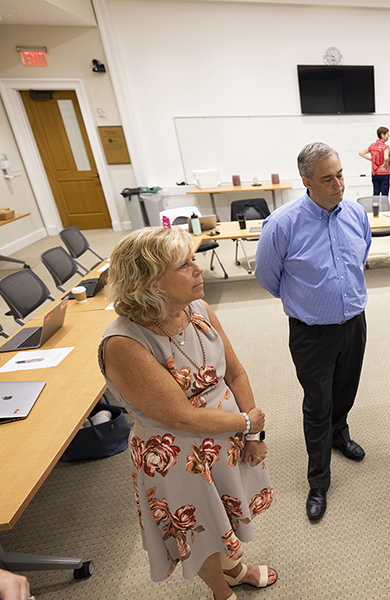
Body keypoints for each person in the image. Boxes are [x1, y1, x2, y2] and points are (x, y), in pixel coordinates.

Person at [99, 227, 276, 600]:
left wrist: (253, 437)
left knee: (223, 516)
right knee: (201, 528)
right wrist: (247, 423)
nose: (198, 269)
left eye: (194, 260)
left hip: (225, 437)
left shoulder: (197, 310)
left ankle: (233, 569)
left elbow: (236, 372)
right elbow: (181, 417)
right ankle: (221, 591)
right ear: (150, 284)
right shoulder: (123, 343)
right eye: (185, 265)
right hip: (177, 455)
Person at [254, 142, 371, 523]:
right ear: (306, 181)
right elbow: (268, 277)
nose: (338, 184)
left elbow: (360, 257)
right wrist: (307, 301)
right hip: (311, 332)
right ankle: (318, 481)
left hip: (353, 323)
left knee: (345, 390)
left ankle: (340, 435)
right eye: (327, 178)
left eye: (340, 175)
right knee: (317, 405)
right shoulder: (283, 224)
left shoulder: (355, 214)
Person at [358, 126, 390, 197]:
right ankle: (384, 208)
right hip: (384, 173)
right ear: (382, 135)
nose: (389, 136)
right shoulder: (385, 147)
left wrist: (371, 159)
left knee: (376, 193)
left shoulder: (372, 146)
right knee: (384, 195)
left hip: (375, 173)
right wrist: (385, 165)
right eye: (387, 134)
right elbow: (386, 157)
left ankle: (375, 207)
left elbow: (361, 153)